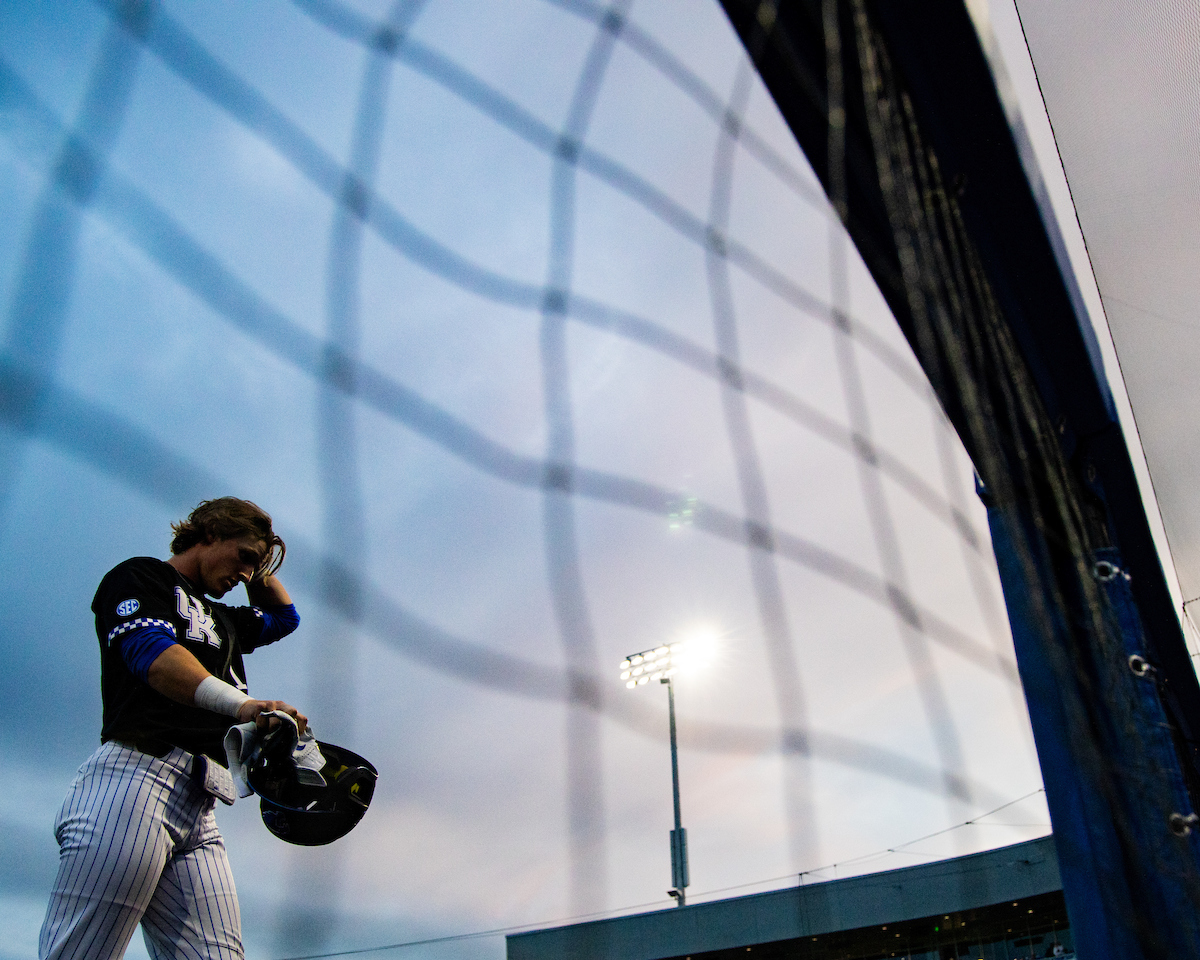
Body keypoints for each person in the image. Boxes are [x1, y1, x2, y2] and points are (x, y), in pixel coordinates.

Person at [39, 497, 306, 960]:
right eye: (242, 556)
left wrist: (258, 562)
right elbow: (154, 658)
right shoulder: (141, 576)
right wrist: (245, 706)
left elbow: (286, 618)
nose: (246, 575)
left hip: (201, 805)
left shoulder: (223, 619)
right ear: (210, 533)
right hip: (134, 783)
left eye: (255, 566)